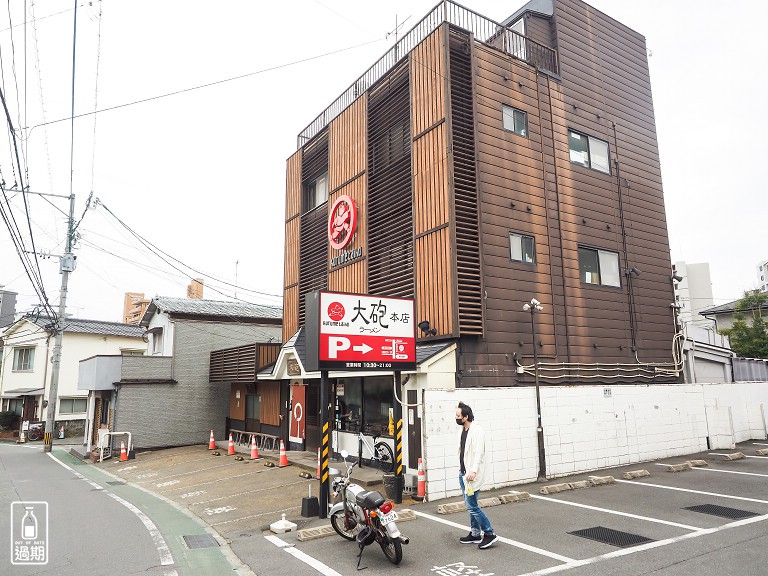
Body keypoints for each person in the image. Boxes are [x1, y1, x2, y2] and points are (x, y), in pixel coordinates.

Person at [456, 401, 498, 549]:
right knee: (470, 505)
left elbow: (478, 453)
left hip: (471, 475)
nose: (456, 418)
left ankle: (489, 533)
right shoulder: (464, 430)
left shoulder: (477, 431)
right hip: (464, 474)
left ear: (466, 416)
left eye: (458, 415)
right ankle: (475, 534)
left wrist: (473, 471)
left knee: (472, 506)